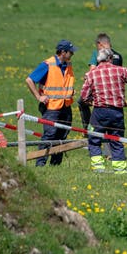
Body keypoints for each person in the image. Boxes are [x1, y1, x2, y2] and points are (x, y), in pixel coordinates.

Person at [81, 48, 127, 174]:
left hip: (99, 112)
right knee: (117, 141)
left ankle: (98, 169)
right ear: (110, 58)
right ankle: (120, 171)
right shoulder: (121, 71)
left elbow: (84, 96)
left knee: (94, 139)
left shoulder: (91, 74)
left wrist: (93, 100)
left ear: (98, 60)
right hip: (117, 112)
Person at [26, 39, 78, 167]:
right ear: (62, 52)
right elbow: (29, 80)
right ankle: (40, 163)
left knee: (62, 136)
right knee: (49, 135)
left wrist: (70, 91)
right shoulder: (47, 64)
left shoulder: (68, 65)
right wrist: (39, 97)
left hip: (65, 106)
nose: (72, 54)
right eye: (70, 52)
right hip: (51, 107)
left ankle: (55, 164)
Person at [78, 33, 123, 132]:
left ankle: (88, 128)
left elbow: (92, 70)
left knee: (81, 102)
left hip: (100, 91)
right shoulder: (118, 56)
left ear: (100, 44)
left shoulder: (97, 53)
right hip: (115, 94)